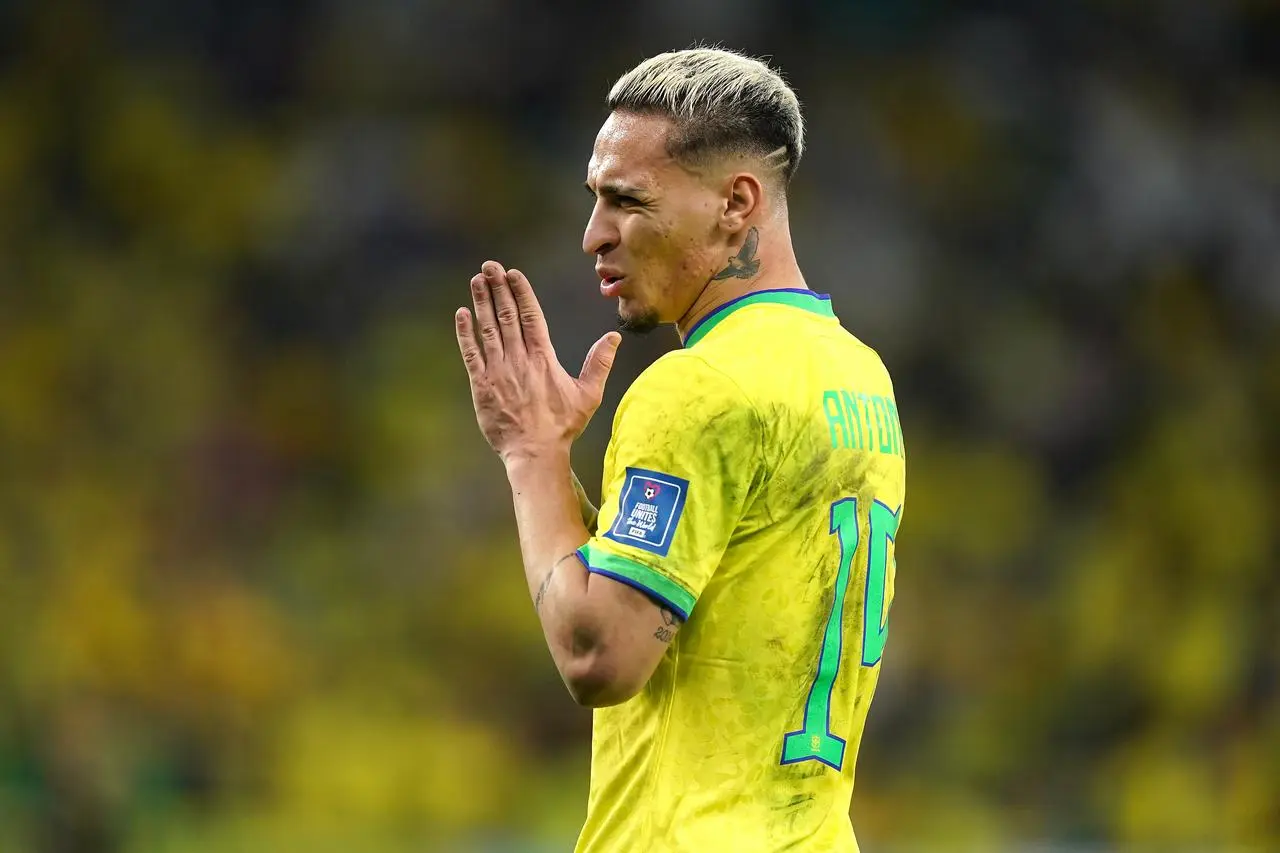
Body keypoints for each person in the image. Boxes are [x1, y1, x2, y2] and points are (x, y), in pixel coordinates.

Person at [455, 46, 906, 853]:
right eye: (594, 199)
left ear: (736, 203)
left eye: (625, 200)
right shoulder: (859, 375)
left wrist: (532, 454)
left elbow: (601, 653)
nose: (593, 234)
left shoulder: (698, 387)